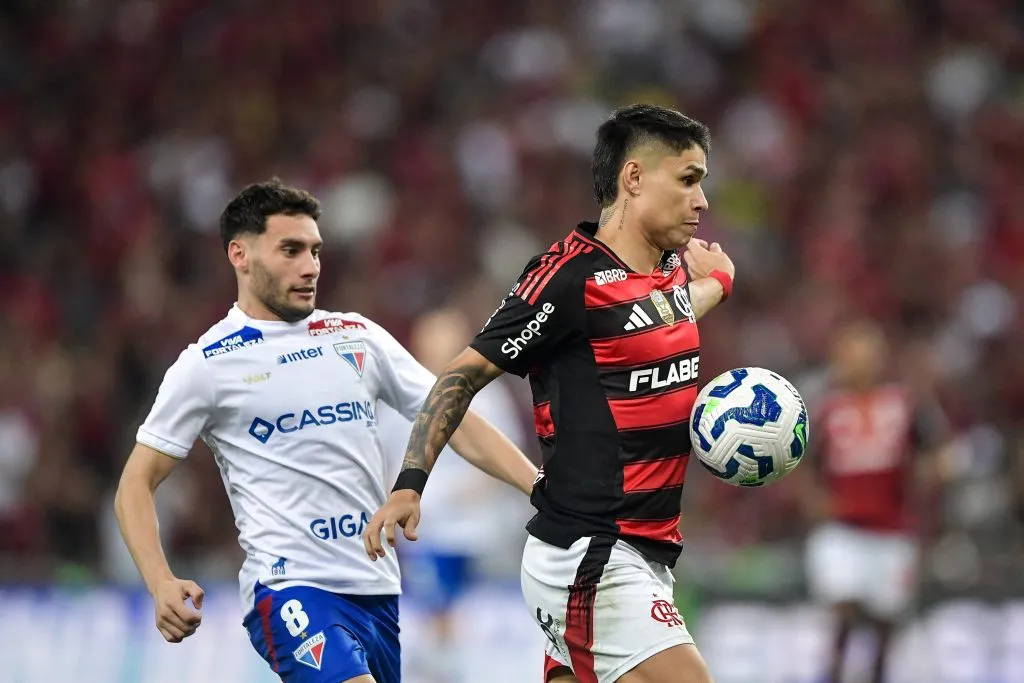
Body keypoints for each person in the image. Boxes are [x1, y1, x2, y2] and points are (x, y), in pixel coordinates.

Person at [365, 103, 735, 683]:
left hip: (647, 553)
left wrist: (719, 282)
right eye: (688, 179)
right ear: (634, 178)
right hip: (592, 553)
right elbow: (460, 378)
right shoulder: (567, 278)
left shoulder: (665, 274)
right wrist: (410, 485)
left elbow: (667, 314)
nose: (702, 200)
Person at [113, 179, 537, 683]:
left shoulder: (357, 337)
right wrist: (159, 580)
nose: (310, 266)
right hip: (290, 589)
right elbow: (135, 483)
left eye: (314, 251)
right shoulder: (208, 364)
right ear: (240, 255)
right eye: (290, 250)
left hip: (377, 590)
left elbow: (452, 415)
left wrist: (539, 487)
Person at [376, 305, 533, 682]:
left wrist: (448, 497)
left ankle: (460, 666)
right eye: (431, 338)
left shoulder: (486, 397)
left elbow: (505, 462)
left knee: (472, 612)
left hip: (479, 533)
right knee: (434, 611)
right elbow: (381, 464)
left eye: (446, 338)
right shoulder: (399, 400)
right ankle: (440, 666)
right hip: (425, 534)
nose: (438, 346)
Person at [802, 320, 949, 683]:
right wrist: (814, 499)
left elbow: (938, 449)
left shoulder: (904, 403)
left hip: (892, 528)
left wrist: (930, 472)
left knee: (885, 627)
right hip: (843, 527)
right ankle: (834, 675)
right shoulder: (825, 408)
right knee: (844, 610)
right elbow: (802, 462)